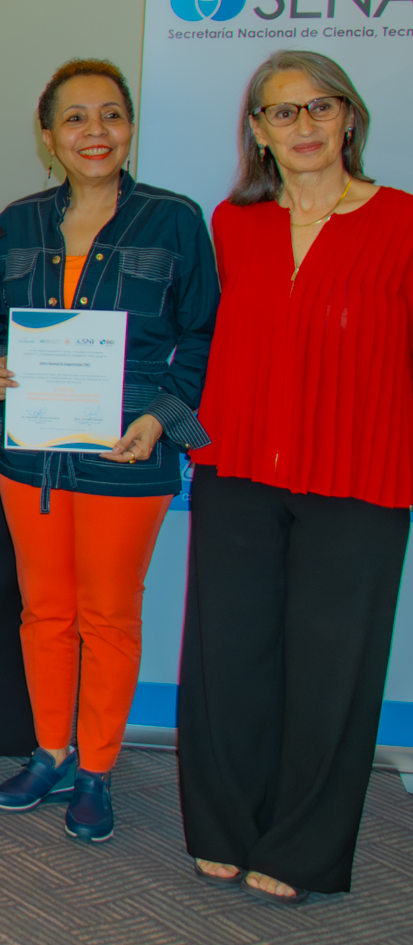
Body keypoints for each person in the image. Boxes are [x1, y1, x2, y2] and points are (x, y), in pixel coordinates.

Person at [179, 50, 412, 906]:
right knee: (228, 654)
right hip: (239, 465)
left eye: (321, 106)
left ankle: (304, 848)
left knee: (333, 670)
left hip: (360, 473)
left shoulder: (403, 221)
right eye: (284, 111)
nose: (304, 125)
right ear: (258, 130)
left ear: (349, 116)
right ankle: (224, 826)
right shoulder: (234, 222)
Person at [0, 59, 217, 843]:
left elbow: (205, 333)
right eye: (75, 117)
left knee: (108, 615)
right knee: (44, 610)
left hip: (128, 452)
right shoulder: (16, 222)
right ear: (48, 136)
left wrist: (163, 417)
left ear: (131, 128)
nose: (95, 131)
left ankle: (97, 768)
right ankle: (50, 752)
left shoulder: (174, 219)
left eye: (111, 114)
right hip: (31, 456)